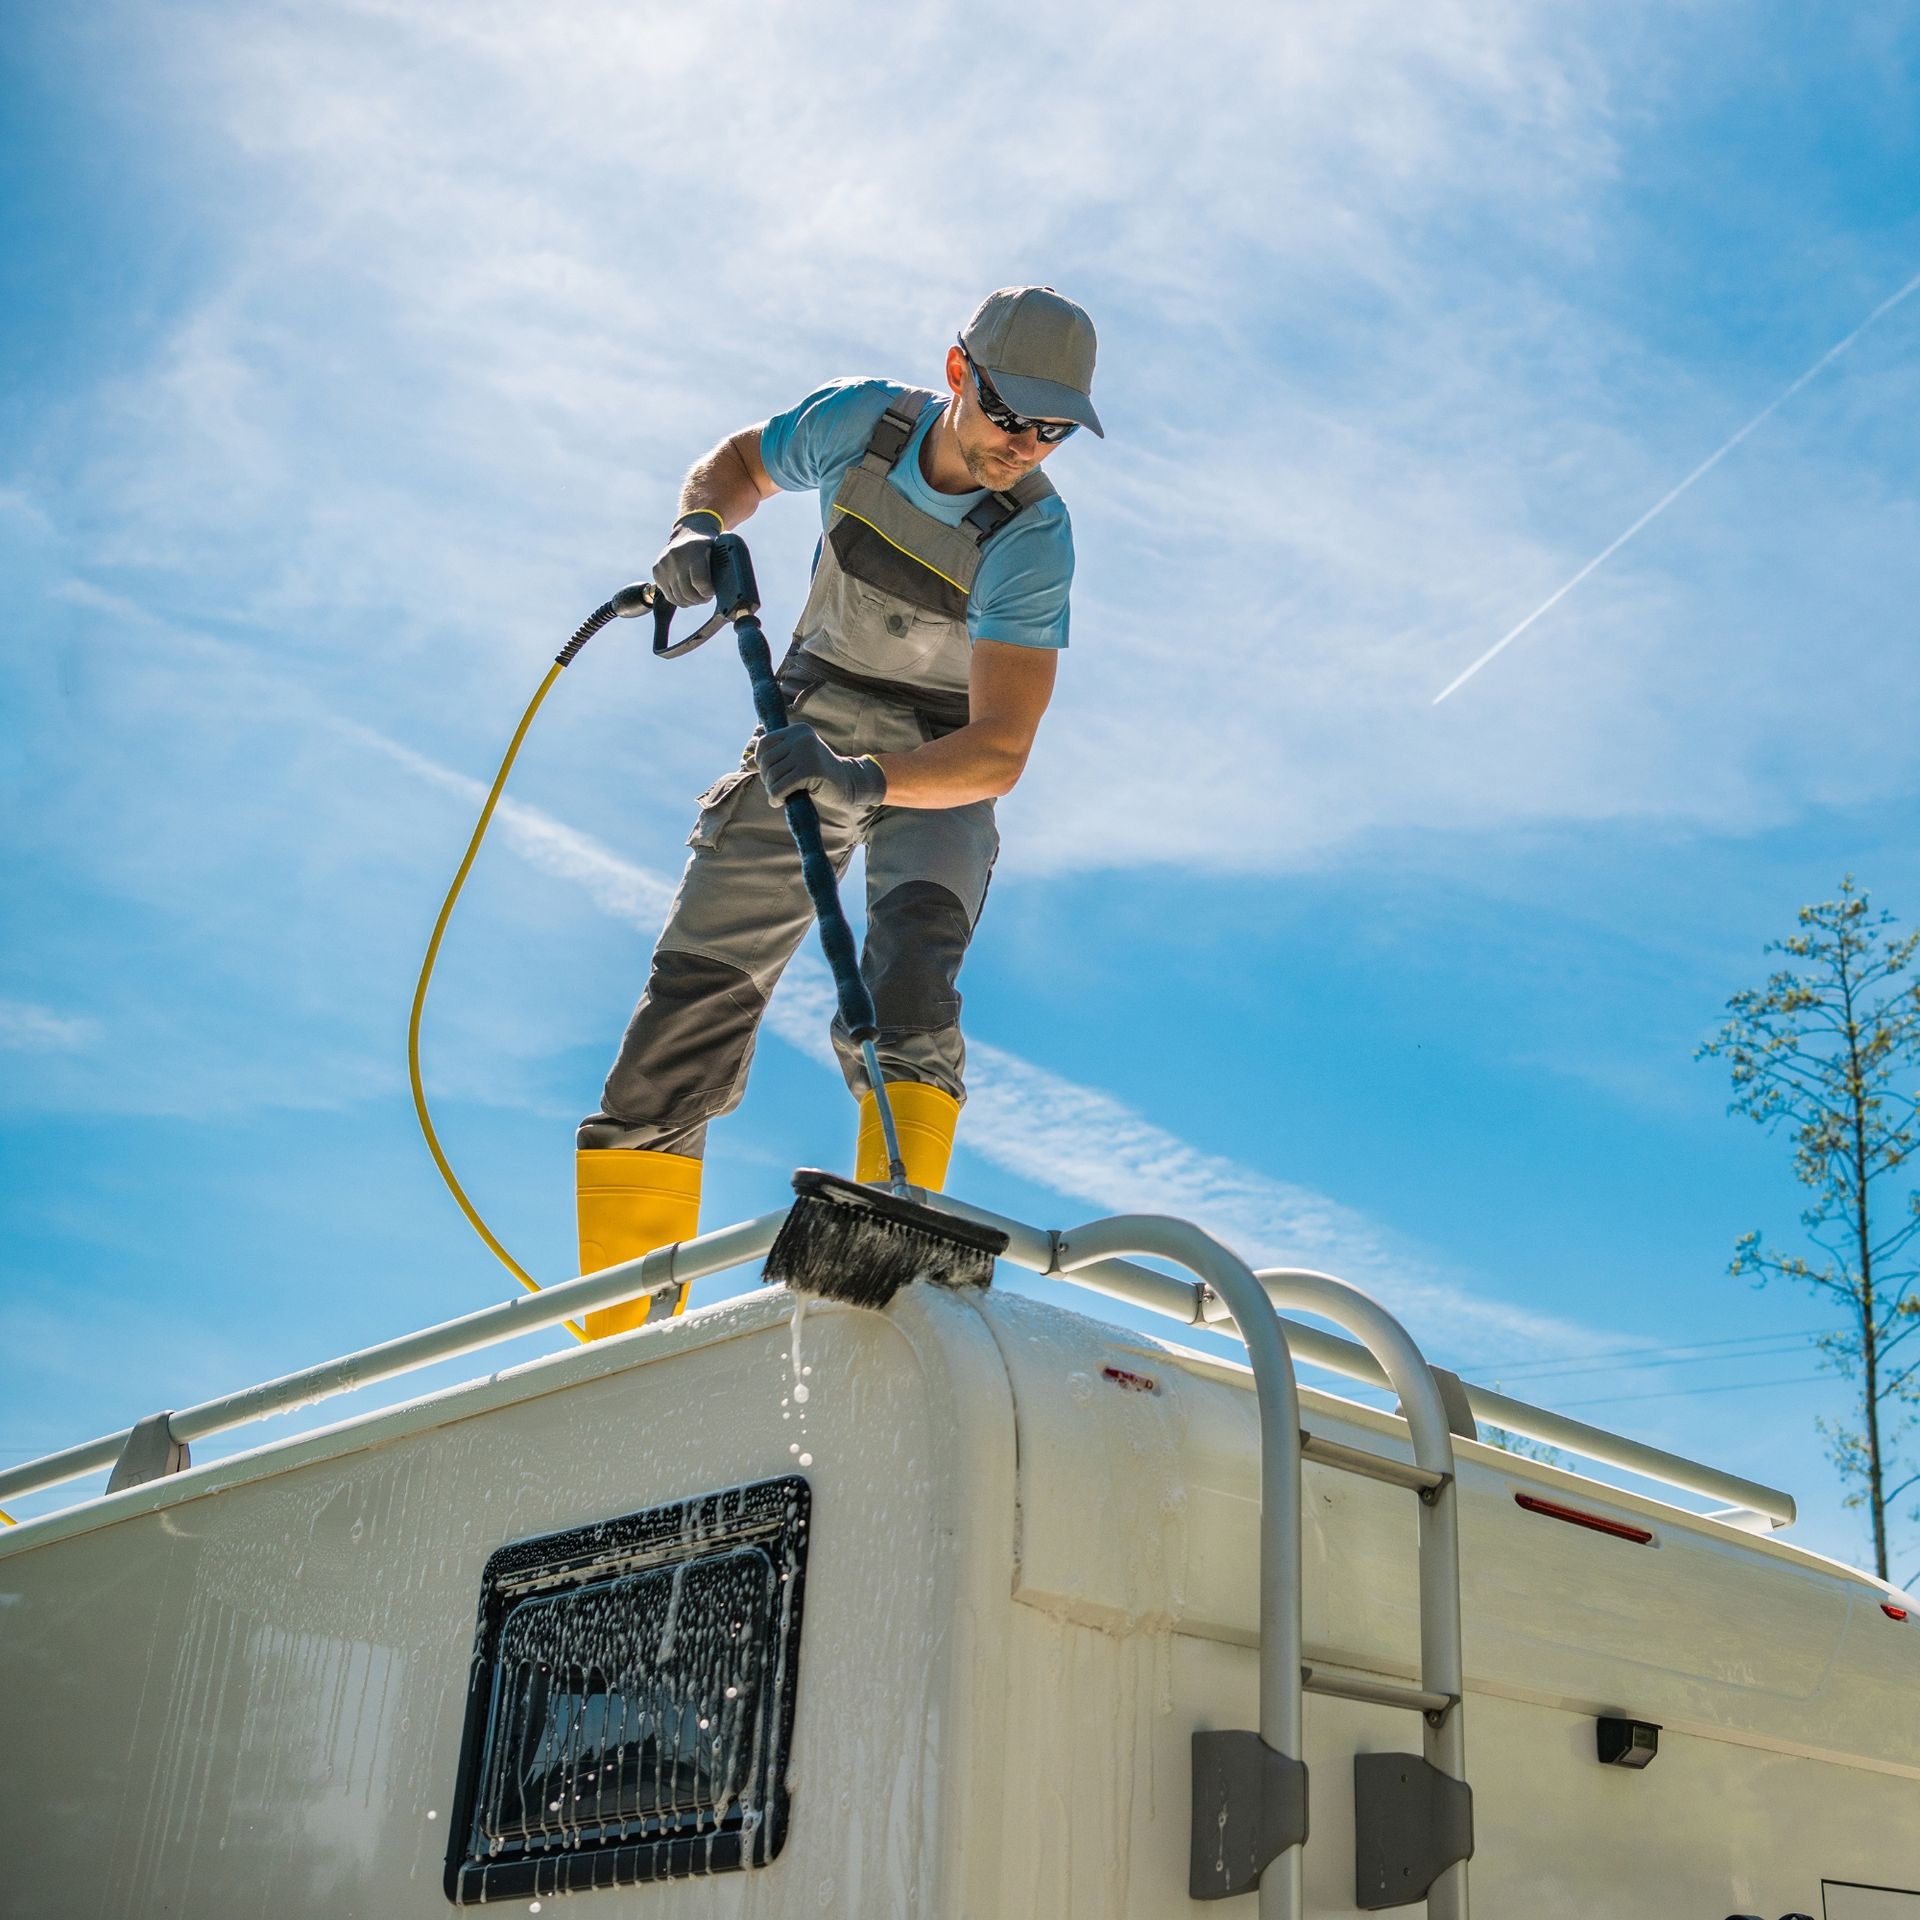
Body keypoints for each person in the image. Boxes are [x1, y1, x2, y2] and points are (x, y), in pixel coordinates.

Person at [575, 285, 1102, 1336]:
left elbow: (998, 748)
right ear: (960, 376)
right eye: (1010, 416)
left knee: (912, 965)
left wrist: (866, 778)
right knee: (692, 1001)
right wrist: (695, 525)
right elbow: (738, 465)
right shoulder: (860, 424)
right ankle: (615, 1328)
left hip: (937, 759)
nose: (1026, 447)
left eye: (1054, 431)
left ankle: (886, 1258)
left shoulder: (1032, 539)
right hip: (808, 719)